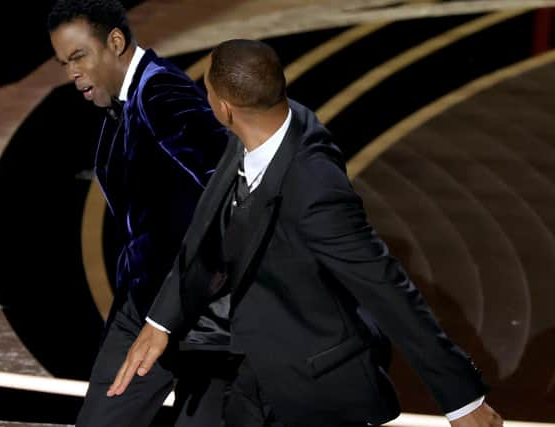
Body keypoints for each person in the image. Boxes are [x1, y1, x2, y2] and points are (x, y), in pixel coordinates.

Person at [109, 39, 505, 427]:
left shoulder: (315, 189)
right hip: (256, 372)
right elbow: (207, 230)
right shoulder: (262, 126)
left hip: (316, 389)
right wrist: (160, 322)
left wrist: (461, 399)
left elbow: (386, 287)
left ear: (225, 109)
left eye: (207, 91)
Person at [47, 1, 229, 426]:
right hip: (142, 307)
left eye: (78, 57)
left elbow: (226, 186)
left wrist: (171, 312)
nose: (72, 74)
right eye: (63, 63)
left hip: (200, 316)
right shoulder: (123, 103)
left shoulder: (164, 94)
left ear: (115, 42)